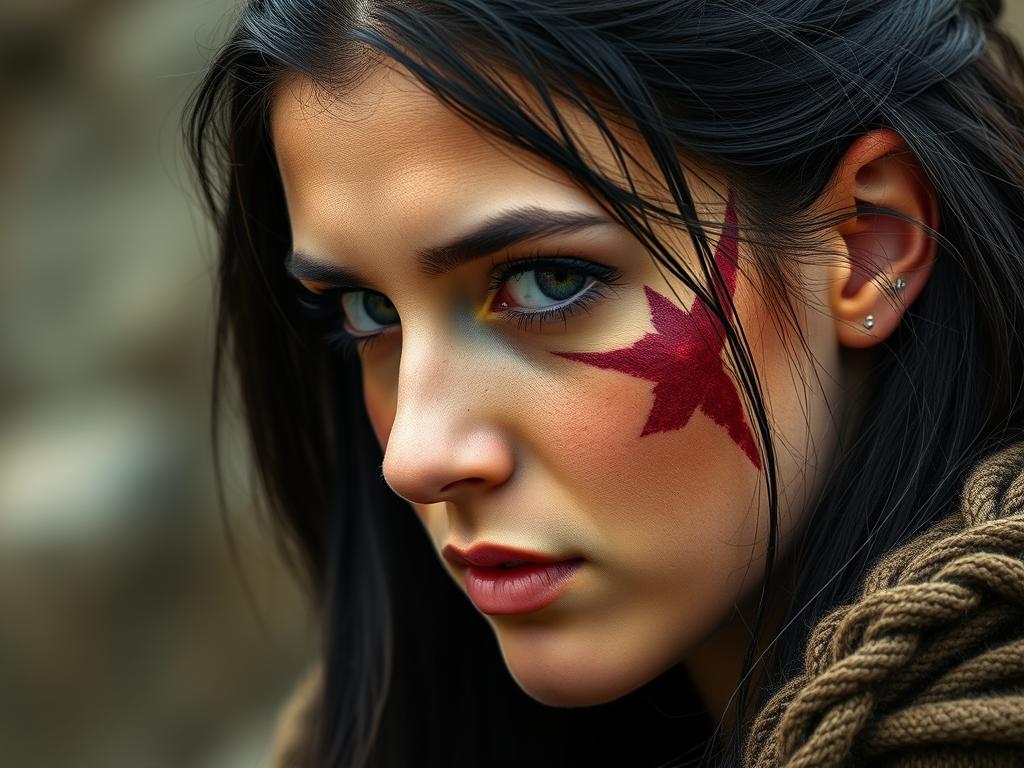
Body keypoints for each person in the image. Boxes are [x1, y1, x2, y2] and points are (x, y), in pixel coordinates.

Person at [184, 0, 1024, 765]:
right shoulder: (381, 726)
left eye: (547, 283)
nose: (414, 457)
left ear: (870, 242)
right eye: (368, 312)